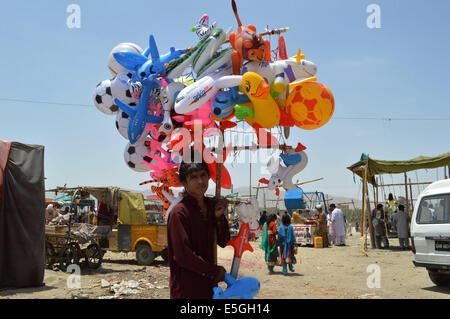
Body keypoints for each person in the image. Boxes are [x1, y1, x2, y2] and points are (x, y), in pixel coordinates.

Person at [167, 160, 230, 299]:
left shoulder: (212, 206)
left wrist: (219, 218)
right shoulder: (179, 213)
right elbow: (183, 256)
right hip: (187, 290)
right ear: (184, 183)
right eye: (193, 177)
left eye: (203, 175)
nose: (200, 181)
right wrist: (214, 272)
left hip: (209, 289)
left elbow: (224, 241)